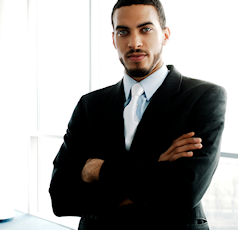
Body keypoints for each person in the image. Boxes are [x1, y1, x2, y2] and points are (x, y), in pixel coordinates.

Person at [49, 0, 226, 229]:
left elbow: (185, 191)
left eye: (146, 29)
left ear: (165, 35)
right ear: (113, 39)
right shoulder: (89, 105)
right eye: (123, 32)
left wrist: (97, 170)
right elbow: (62, 197)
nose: (134, 43)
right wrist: (156, 168)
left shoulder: (204, 97)